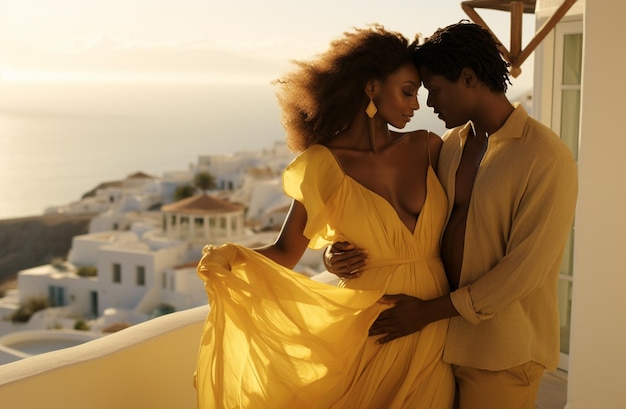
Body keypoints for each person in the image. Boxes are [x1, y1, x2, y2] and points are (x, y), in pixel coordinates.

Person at [194, 24, 454, 409]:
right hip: (373, 324)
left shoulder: (429, 147)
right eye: (407, 91)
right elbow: (286, 252)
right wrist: (229, 258)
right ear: (370, 87)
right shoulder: (322, 165)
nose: (416, 105)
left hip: (435, 319)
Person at [324, 21, 578, 409]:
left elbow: (524, 271)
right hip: (440, 341)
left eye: (435, 90)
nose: (428, 104)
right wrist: (334, 254)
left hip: (501, 352)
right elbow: (395, 218)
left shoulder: (544, 156)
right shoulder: (450, 145)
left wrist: (425, 312)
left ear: (469, 78)